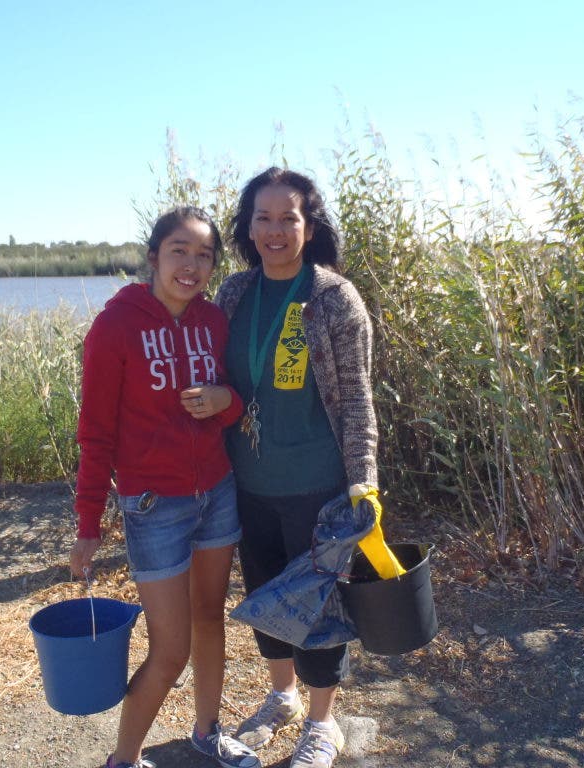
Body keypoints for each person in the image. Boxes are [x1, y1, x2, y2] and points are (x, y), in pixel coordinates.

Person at [69, 207, 260, 768]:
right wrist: (87, 527)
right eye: (180, 250)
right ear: (153, 256)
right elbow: (95, 434)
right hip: (154, 505)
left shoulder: (213, 322)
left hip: (217, 494)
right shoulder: (116, 326)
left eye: (205, 255)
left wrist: (227, 403)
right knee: (171, 649)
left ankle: (207, 731)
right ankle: (124, 759)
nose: (192, 265)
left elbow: (234, 399)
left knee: (210, 620)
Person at [215, 168, 381, 768]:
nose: (275, 230)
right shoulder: (233, 294)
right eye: (263, 217)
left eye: (288, 218)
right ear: (248, 226)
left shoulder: (335, 298)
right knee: (264, 596)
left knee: (319, 607)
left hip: (317, 483)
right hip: (248, 483)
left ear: (310, 227)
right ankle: (281, 696)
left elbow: (358, 398)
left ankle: (323, 724)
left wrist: (364, 479)